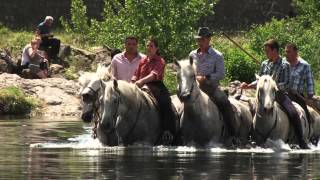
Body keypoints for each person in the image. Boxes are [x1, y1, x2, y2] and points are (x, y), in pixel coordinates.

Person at [241, 39, 309, 149]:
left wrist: (273, 86)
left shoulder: (285, 65)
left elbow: (287, 83)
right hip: (263, 95)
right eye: (265, 51)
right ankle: (251, 135)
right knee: (252, 109)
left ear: (275, 51)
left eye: (267, 51)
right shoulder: (264, 64)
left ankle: (301, 140)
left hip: (279, 94)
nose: (266, 53)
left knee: (293, 112)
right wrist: (248, 85)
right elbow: (260, 81)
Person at [189, 27, 237, 143]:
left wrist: (206, 78)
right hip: (194, 87)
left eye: (202, 39)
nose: (200, 42)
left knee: (225, 103)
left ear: (209, 39)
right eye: (198, 40)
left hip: (211, 87)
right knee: (181, 103)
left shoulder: (217, 55)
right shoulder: (192, 54)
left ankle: (233, 135)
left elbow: (221, 74)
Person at [131, 37, 176, 144]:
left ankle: (167, 131)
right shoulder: (142, 61)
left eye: (151, 46)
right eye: (147, 46)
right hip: (140, 86)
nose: (149, 48)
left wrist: (141, 81)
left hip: (156, 86)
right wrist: (132, 83)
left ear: (156, 48)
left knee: (165, 103)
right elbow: (135, 75)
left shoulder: (160, 61)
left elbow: (154, 75)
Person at [285, 43, 315, 124]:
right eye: (286, 52)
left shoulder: (305, 65)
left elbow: (310, 84)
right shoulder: (284, 63)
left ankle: (305, 134)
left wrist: (309, 98)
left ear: (296, 52)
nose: (286, 54)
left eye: (289, 52)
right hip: (283, 94)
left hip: (297, 96)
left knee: (305, 119)